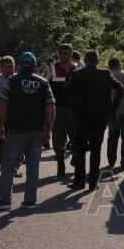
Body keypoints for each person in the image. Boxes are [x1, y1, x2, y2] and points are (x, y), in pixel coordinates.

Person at [0, 52, 56, 211]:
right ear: (34, 66)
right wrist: (48, 130)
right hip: (36, 131)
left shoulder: (12, 81)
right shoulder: (43, 83)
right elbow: (51, 108)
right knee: (33, 168)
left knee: (8, 167)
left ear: (19, 65)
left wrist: (0, 126)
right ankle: (30, 201)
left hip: (15, 130)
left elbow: (3, 106)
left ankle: (5, 201)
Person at [64, 49, 124, 190]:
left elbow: (66, 91)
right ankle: (93, 183)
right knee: (95, 150)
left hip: (82, 117)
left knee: (80, 150)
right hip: (100, 117)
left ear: (85, 60)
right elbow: (121, 89)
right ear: (98, 61)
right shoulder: (105, 73)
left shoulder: (77, 74)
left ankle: (79, 182)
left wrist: (72, 106)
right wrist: (113, 106)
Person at [46, 44, 76, 178]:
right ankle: (60, 165)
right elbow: (45, 86)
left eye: (65, 53)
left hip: (73, 109)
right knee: (58, 138)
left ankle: (75, 156)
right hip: (57, 108)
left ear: (71, 54)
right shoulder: (52, 68)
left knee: (76, 137)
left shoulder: (77, 68)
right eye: (61, 53)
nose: (63, 55)